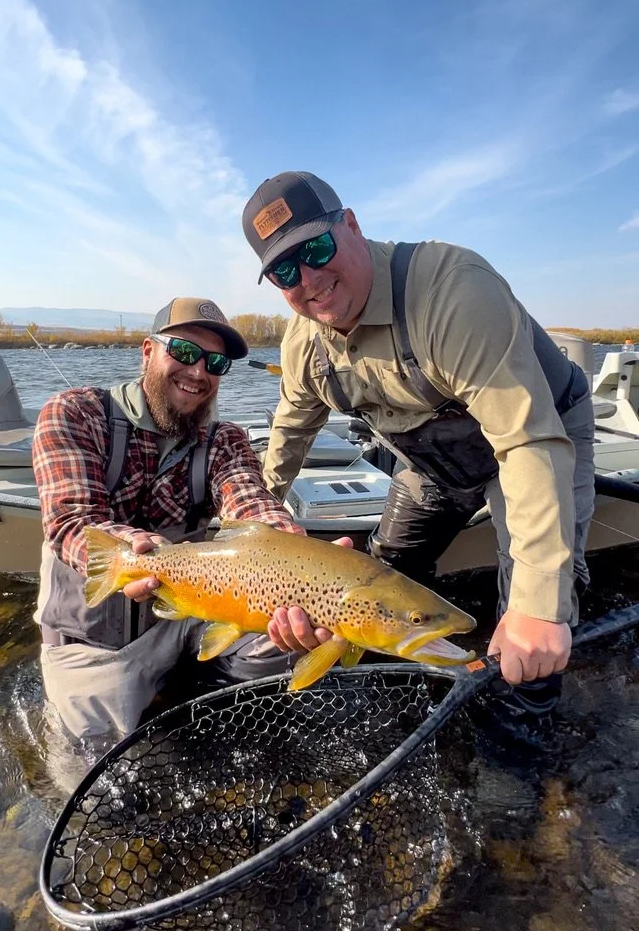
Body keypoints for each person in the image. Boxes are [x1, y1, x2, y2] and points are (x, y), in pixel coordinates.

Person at [242, 171, 596, 719]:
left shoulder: (452, 291)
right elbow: (289, 436)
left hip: (536, 438)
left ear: (351, 225)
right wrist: (254, 519)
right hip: (432, 463)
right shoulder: (303, 344)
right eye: (285, 270)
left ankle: (516, 757)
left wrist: (538, 608)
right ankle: (406, 685)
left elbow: (527, 444)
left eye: (315, 248)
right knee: (388, 568)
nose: (308, 278)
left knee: (536, 605)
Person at [32, 296, 321, 745]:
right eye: (184, 353)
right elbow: (73, 521)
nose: (199, 373)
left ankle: (205, 703)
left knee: (287, 647)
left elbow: (249, 499)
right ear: (148, 351)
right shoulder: (75, 413)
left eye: (216, 363)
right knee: (95, 763)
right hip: (95, 638)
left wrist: (288, 543)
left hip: (191, 614)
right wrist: (133, 553)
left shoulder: (225, 439)